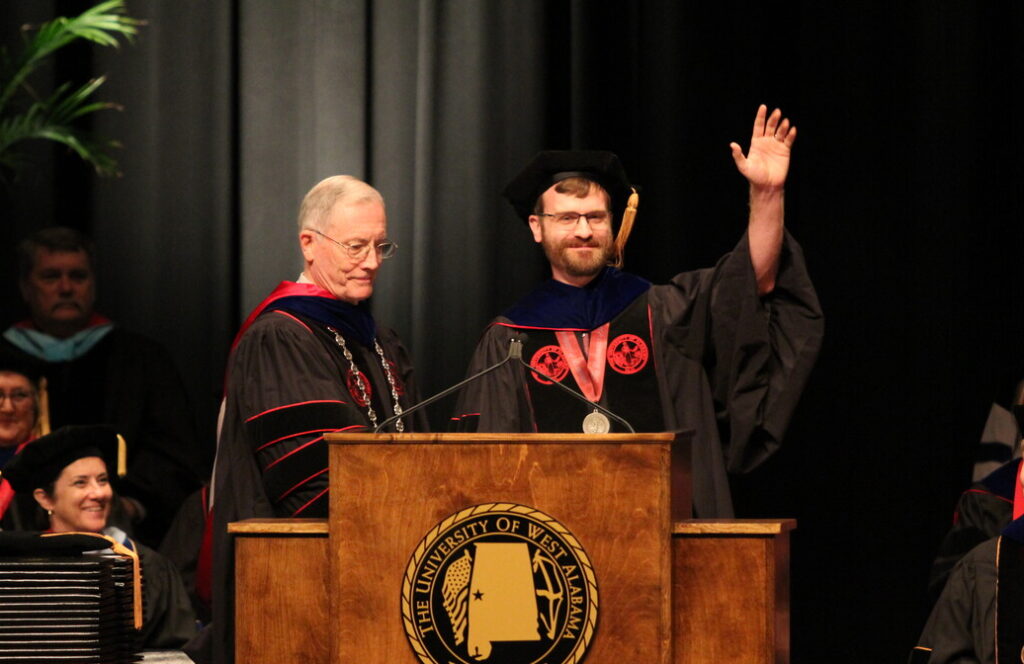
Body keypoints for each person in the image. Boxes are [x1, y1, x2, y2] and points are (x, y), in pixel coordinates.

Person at [454, 105, 823, 517]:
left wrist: (767, 193)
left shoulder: (664, 310)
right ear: (537, 227)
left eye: (595, 217)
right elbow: (483, 466)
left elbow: (753, 279)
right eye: (567, 218)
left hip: (669, 535)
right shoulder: (510, 340)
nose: (583, 230)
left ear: (614, 223)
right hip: (556, 563)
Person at [204, 175, 425, 664]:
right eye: (355, 246)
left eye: (379, 246)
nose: (370, 262)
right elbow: (311, 482)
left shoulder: (379, 339)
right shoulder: (282, 336)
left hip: (390, 568)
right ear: (309, 243)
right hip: (300, 587)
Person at [1, 227, 204, 546]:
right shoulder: (5, 357)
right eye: (51, 276)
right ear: (26, 287)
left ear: (93, 284)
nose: (66, 288)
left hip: (120, 529)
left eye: (78, 276)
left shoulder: (141, 359)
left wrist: (130, 503)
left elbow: (174, 454)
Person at [2, 425, 198, 650]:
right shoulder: (22, 571)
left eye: (103, 480)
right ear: (45, 499)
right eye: (80, 482)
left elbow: (178, 651)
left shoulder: (148, 567)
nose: (99, 493)